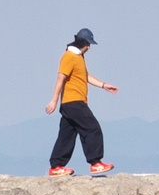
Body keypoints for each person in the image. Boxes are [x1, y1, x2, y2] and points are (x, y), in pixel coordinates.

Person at [46, 28, 118, 176]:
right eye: (88, 44)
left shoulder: (79, 57)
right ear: (83, 43)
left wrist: (104, 85)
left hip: (71, 104)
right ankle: (95, 162)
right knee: (92, 128)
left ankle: (56, 166)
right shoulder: (69, 56)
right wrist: (54, 100)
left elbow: (86, 76)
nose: (90, 47)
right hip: (73, 102)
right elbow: (61, 78)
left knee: (67, 136)